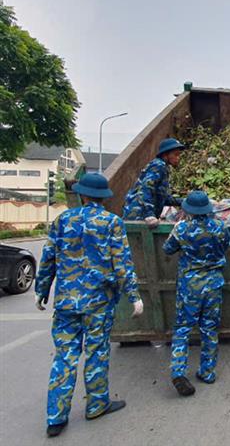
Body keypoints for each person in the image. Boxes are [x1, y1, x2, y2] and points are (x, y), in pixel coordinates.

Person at [34, 173, 143, 437]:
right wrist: (134, 296)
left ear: (82, 195)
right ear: (103, 198)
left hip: (66, 302)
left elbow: (48, 257)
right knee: (96, 352)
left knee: (65, 356)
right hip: (98, 302)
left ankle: (56, 417)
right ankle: (96, 404)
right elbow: (122, 263)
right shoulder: (111, 222)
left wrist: (41, 290)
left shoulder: (63, 219)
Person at [163, 191, 230, 396]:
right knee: (209, 328)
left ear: (188, 210)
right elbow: (227, 246)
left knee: (183, 328)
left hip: (190, 285)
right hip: (213, 285)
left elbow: (167, 249)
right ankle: (207, 372)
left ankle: (178, 371)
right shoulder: (220, 227)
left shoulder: (182, 229)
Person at [122, 138, 185, 228]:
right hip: (138, 214)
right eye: (175, 154)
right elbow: (146, 188)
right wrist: (149, 214)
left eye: (179, 155)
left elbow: (163, 197)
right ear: (165, 154)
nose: (178, 158)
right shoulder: (158, 166)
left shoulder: (164, 168)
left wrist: (184, 201)